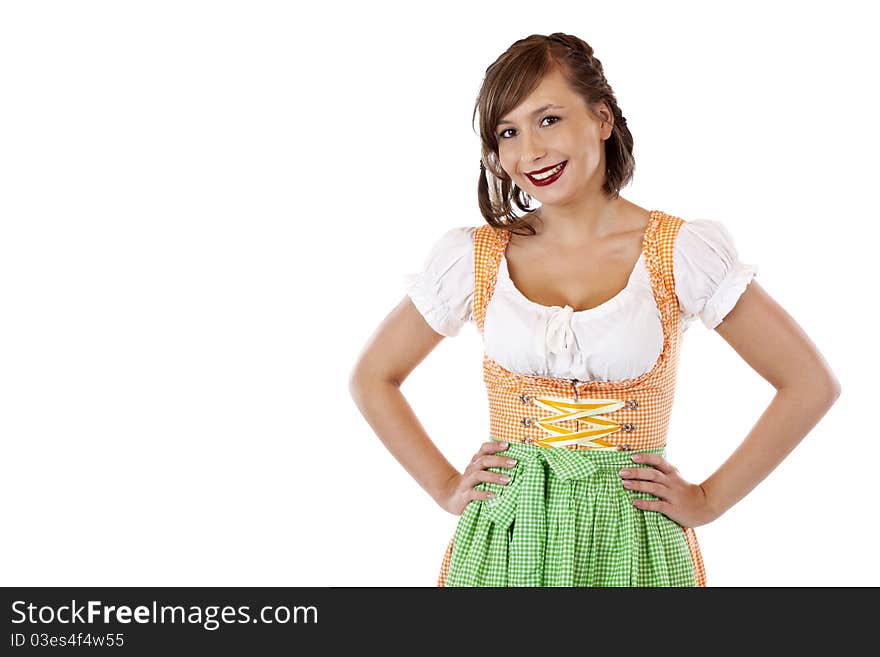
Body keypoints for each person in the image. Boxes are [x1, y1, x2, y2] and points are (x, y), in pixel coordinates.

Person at [348, 32, 841, 587]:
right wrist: (444, 487)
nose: (529, 151)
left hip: (635, 536)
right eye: (508, 131)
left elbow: (807, 384)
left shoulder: (677, 251)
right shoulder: (474, 257)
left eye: (549, 119)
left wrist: (708, 500)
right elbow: (373, 377)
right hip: (507, 537)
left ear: (602, 119)